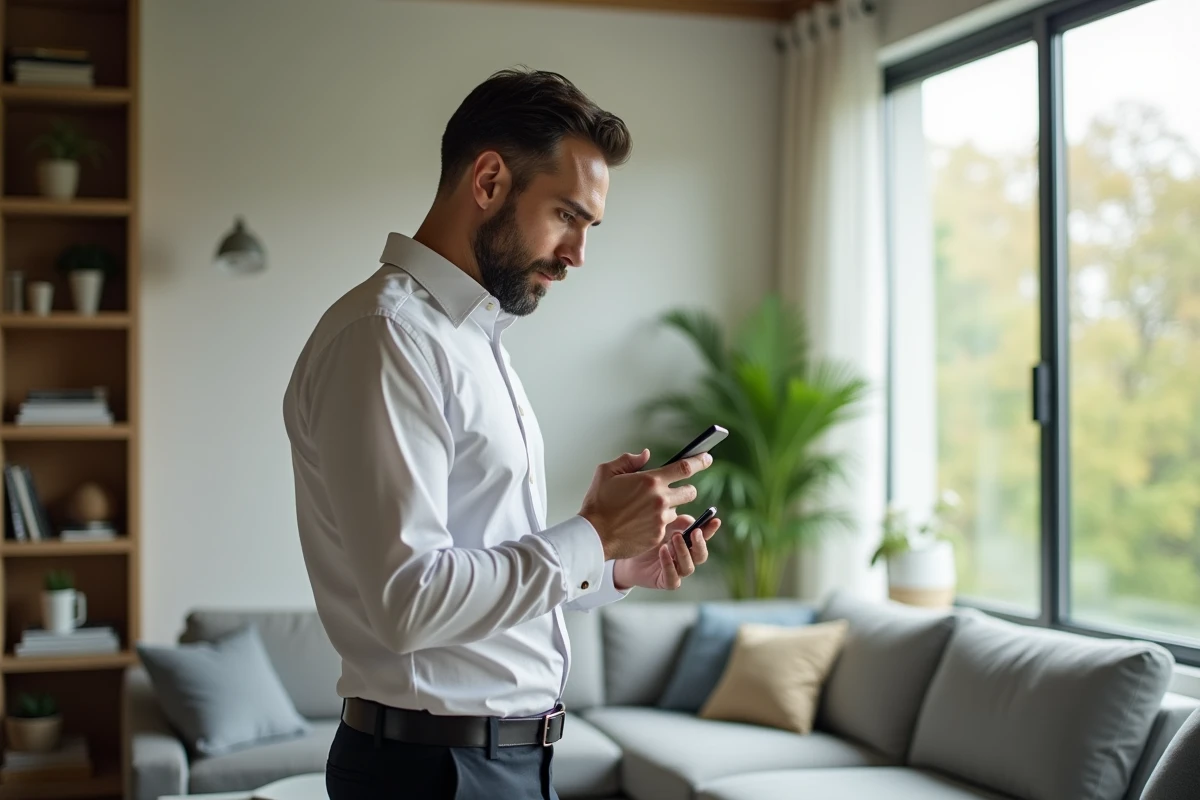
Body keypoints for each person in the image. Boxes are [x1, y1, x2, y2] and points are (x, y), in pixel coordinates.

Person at [281, 67, 721, 800]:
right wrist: (591, 535)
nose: (578, 254)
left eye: (589, 227)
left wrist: (613, 563)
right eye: (567, 216)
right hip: (434, 771)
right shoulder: (386, 337)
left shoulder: (474, 340)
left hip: (497, 763)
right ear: (488, 181)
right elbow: (409, 602)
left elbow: (482, 569)